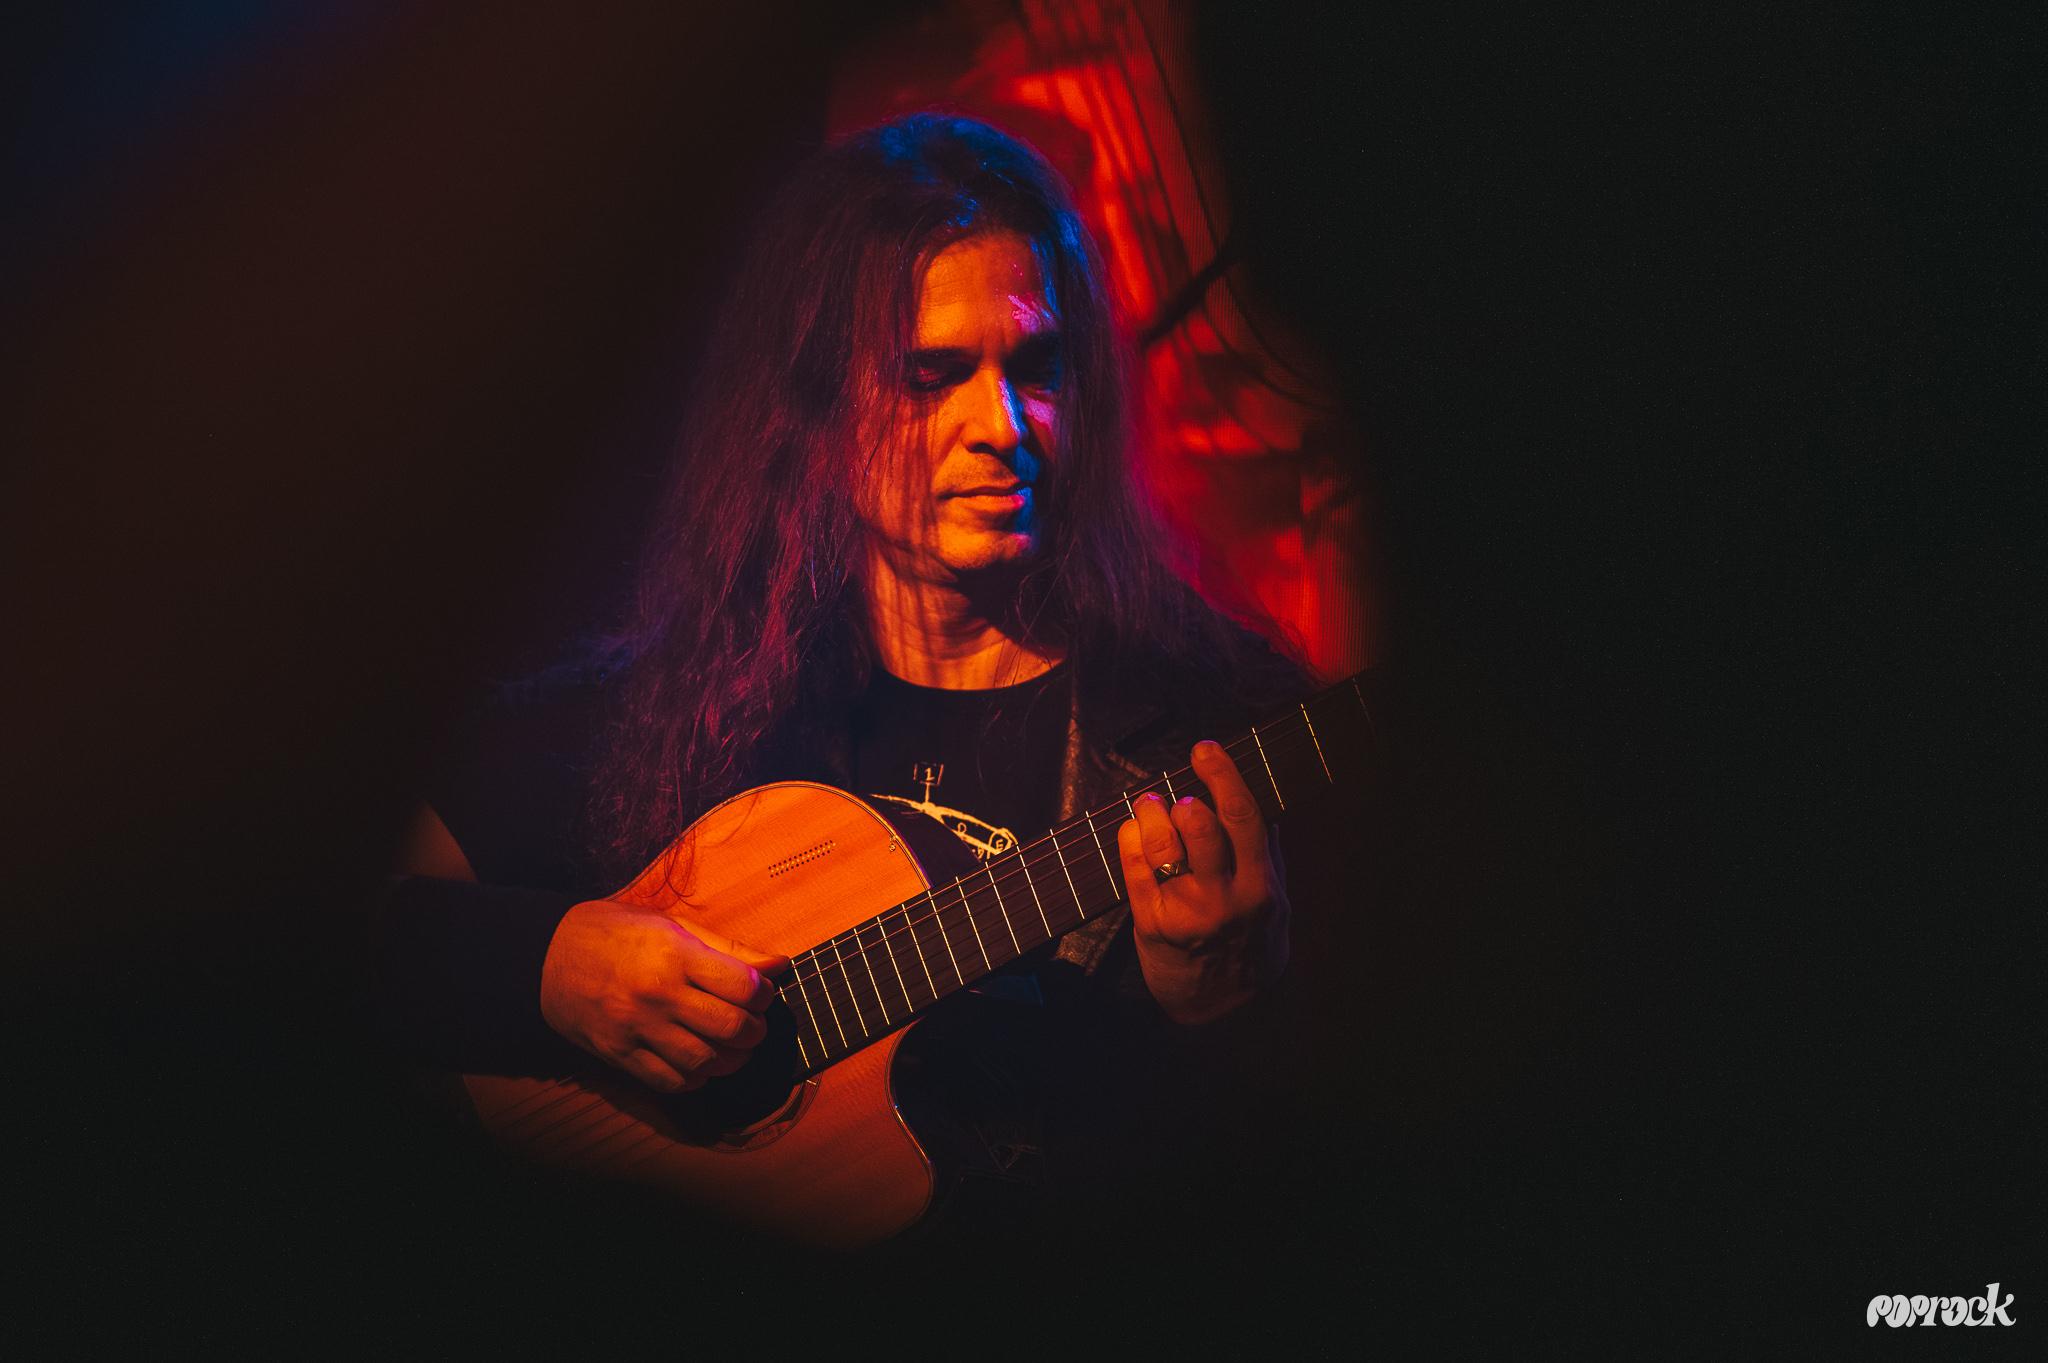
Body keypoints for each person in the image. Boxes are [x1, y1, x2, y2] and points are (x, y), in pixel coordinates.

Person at [374, 112, 1313, 1245]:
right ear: (818, 412)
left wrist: (1223, 1015)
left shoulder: (1223, 720)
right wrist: (548, 967)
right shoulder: (693, 697)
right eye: (930, 375)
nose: (1002, 425)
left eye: (1036, 367)